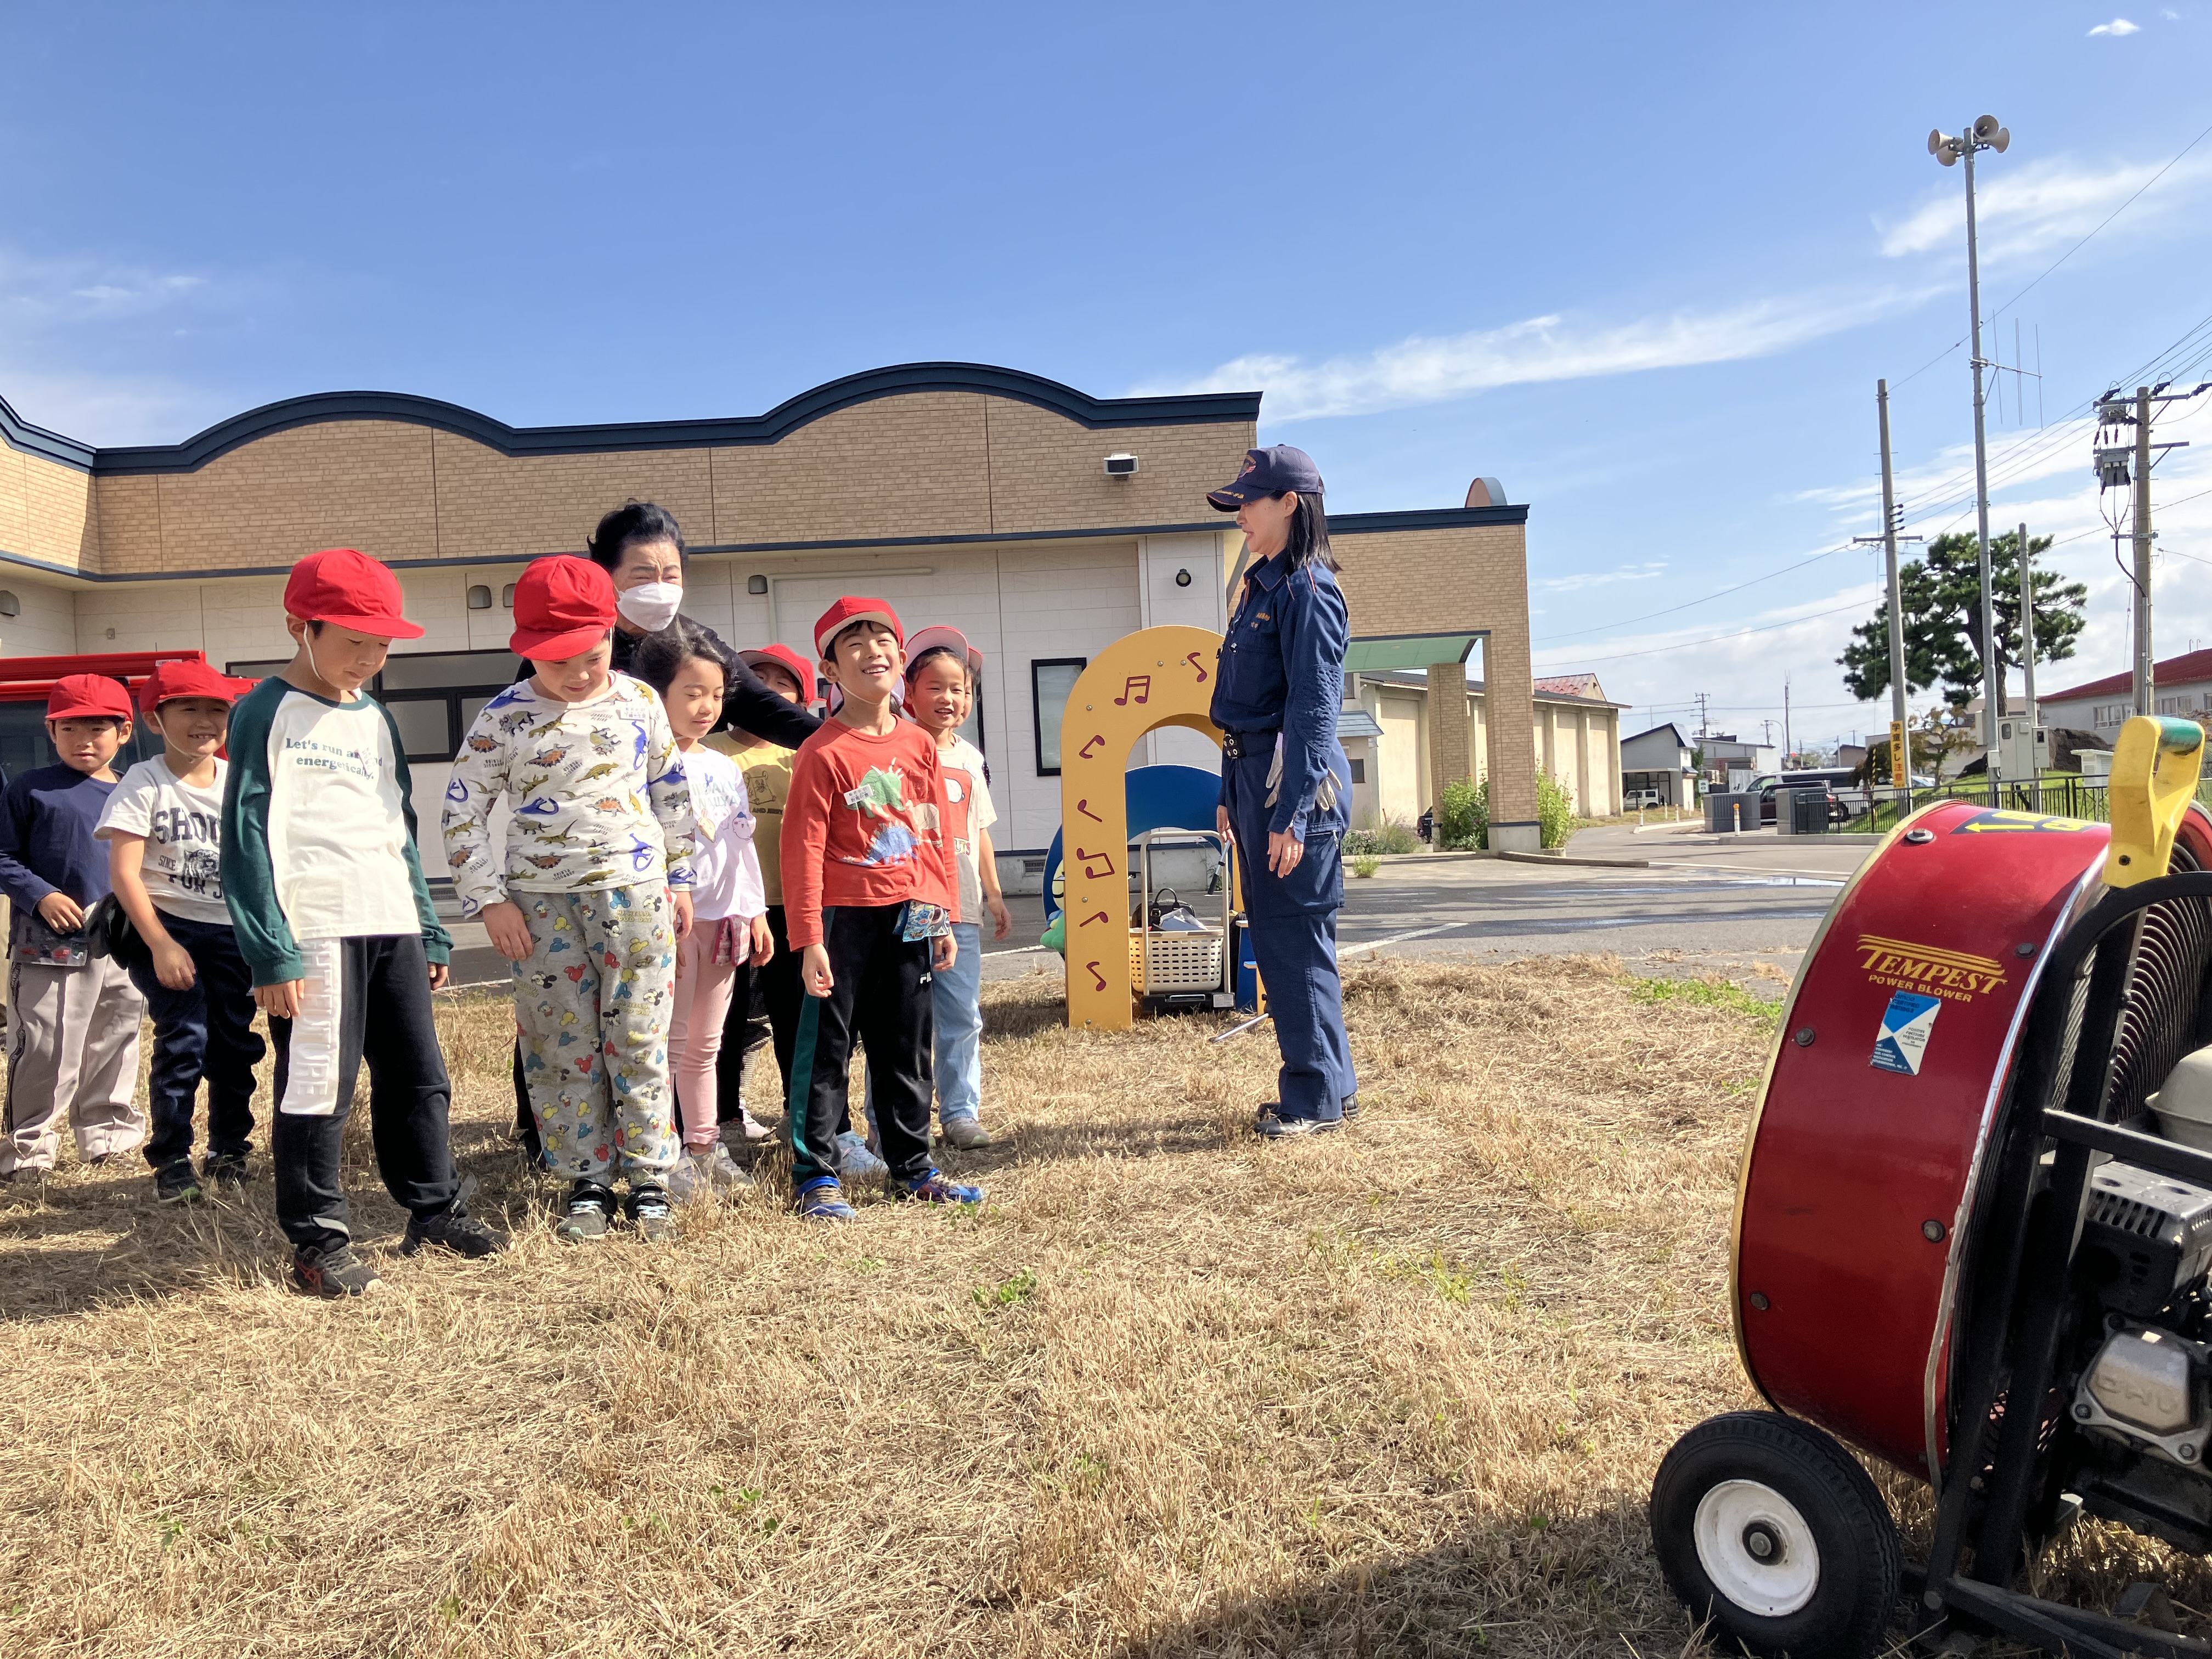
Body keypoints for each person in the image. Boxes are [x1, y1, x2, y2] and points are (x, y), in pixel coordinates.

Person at [223, 548, 508, 1296]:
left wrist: (431, 926)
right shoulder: (265, 710)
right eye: (354, 641)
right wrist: (271, 951)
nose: (371, 658)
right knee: (319, 1081)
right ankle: (318, 1243)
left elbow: (399, 830)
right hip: (313, 927)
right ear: (299, 625)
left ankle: (434, 1208)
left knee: (420, 1075)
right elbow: (246, 833)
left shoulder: (375, 717)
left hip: (392, 921)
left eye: (382, 645)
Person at [444, 555, 697, 1245]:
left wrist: (681, 879)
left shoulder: (641, 704)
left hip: (638, 897)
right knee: (562, 1041)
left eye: (593, 655)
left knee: (639, 1034)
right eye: (559, 661)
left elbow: (672, 795)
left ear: (613, 634)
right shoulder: (505, 718)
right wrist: (489, 900)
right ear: (526, 650)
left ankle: (649, 1177)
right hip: (541, 906)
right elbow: (462, 811)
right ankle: (586, 1179)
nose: (580, 673)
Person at [780, 596, 980, 1221]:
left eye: (882, 639)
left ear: (900, 658)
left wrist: (942, 909)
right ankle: (815, 1174)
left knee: (905, 1043)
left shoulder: (921, 744)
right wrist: (809, 936)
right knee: (828, 1049)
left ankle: (912, 1166)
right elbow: (803, 846)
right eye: (854, 643)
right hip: (842, 918)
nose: (873, 651)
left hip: (909, 913)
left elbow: (933, 831)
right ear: (831, 671)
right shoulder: (823, 750)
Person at [1205, 445, 1358, 1137]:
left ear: (1289, 504)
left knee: (1293, 942)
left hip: (1289, 787)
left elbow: (1315, 712)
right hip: (1252, 779)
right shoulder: (1261, 587)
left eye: (1249, 500)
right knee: (1284, 939)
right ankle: (1330, 1086)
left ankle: (1315, 1098)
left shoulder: (1308, 589)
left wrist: (1291, 816)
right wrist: (1226, 791)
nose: (1239, 513)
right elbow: (1236, 705)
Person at [96, 661, 266, 1205]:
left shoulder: (238, 783)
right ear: (154, 719)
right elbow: (124, 872)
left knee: (235, 1045)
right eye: (188, 708)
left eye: (216, 709)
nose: (204, 720)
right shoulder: (145, 781)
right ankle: (172, 1158)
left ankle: (230, 1149)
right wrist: (161, 943)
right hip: (165, 927)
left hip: (230, 931)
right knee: (185, 1038)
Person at [629, 619, 766, 1204]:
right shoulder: (636, 764)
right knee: (667, 1041)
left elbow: (740, 845)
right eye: (692, 693)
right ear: (655, 693)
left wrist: (754, 913)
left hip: (722, 921)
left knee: (708, 1044)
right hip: (665, 922)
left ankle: (707, 1149)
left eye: (716, 695)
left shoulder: (724, 767)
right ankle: (663, 1157)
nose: (706, 707)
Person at [0, 674, 147, 1189]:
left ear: (124, 732)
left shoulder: (136, 789)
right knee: (46, 1043)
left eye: (98, 727)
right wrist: (41, 894)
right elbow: (2, 856)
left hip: (127, 937)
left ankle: (108, 1137)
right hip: (50, 939)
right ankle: (28, 1149)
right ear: (51, 729)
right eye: (70, 728)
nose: (85, 740)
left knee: (117, 1035)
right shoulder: (31, 788)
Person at [585, 501, 819, 753]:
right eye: (643, 577)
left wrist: (846, 746)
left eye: (672, 576)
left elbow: (763, 708)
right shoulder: (576, 641)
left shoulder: (694, 641)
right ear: (604, 575)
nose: (659, 588)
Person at [901, 626, 1012, 1148]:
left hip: (960, 903)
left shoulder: (970, 758)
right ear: (909, 693)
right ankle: (896, 1119)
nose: (950, 699)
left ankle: (961, 1111)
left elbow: (980, 830)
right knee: (902, 1016)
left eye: (961, 690)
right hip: (906, 900)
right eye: (937, 687)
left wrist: (992, 893)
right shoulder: (896, 747)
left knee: (961, 1013)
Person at [707, 643, 815, 1140]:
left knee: (796, 1015)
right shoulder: (707, 750)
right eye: (756, 679)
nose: (767, 691)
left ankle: (803, 1110)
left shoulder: (803, 752)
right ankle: (725, 1113)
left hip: (790, 903)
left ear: (798, 699)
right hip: (727, 905)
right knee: (725, 1018)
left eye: (782, 684)